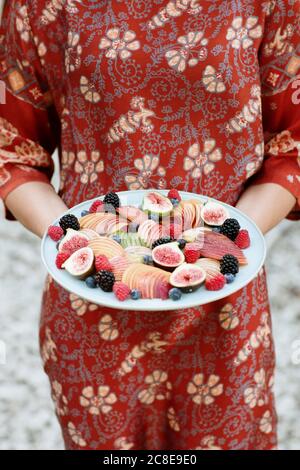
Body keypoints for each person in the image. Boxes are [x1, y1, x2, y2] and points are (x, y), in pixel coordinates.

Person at [0, 0, 299, 450]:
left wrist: (222, 246)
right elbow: (13, 150)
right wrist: (76, 244)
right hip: (92, 307)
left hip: (225, 312)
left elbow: (291, 147)